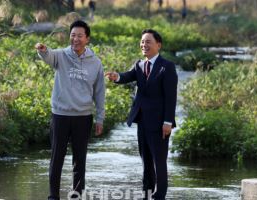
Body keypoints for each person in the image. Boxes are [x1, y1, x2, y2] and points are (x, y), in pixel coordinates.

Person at [35, 20, 105, 200]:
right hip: (60, 116)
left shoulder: (96, 63)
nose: (75, 39)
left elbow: (99, 93)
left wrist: (100, 118)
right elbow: (49, 56)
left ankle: (76, 196)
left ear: (87, 39)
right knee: (56, 158)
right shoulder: (61, 55)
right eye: (73, 35)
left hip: (83, 117)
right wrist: (43, 50)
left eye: (80, 36)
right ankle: (53, 197)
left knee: (79, 160)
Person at [105, 29, 178, 200]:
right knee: (145, 162)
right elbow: (127, 76)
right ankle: (146, 194)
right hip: (142, 122)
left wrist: (168, 122)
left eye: (148, 42)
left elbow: (171, 97)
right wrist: (116, 77)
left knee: (159, 162)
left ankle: (159, 196)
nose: (144, 45)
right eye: (142, 42)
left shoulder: (167, 67)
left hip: (160, 123)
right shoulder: (139, 64)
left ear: (158, 45)